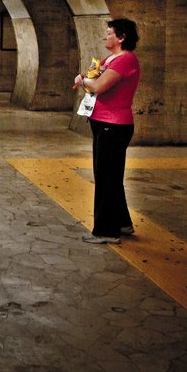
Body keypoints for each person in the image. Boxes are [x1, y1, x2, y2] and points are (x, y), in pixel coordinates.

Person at [71, 18, 141, 244]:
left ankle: (106, 231)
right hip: (103, 122)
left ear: (122, 37)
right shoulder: (110, 59)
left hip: (114, 124)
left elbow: (98, 85)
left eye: (110, 33)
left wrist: (84, 81)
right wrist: (84, 78)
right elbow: (93, 78)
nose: (105, 36)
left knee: (106, 178)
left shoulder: (125, 60)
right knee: (110, 176)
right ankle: (122, 222)